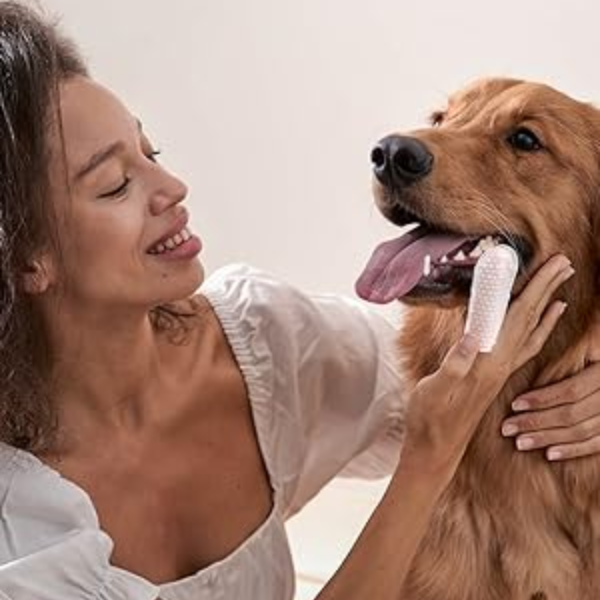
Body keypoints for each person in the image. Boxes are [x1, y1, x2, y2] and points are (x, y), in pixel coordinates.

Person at [0, 3, 598, 599]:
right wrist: (428, 457)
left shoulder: (266, 343)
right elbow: (433, 426)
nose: (173, 188)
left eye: (150, 152)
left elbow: (436, 383)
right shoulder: (18, 533)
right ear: (26, 259)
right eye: (115, 184)